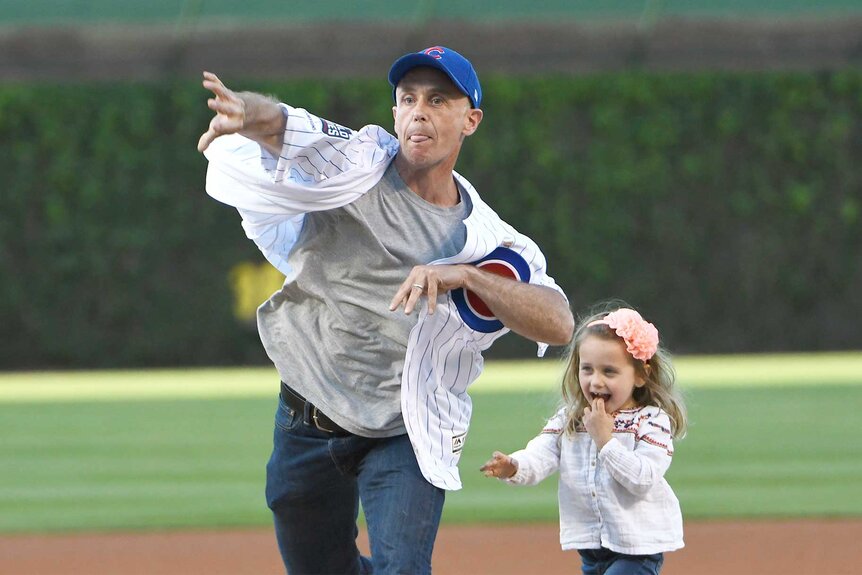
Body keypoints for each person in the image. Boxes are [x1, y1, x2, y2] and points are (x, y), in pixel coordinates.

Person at [197, 46, 574, 574]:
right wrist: (247, 112)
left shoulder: (484, 240)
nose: (419, 110)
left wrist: (466, 275)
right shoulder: (354, 162)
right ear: (394, 113)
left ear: (471, 120)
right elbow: (290, 125)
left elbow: (558, 323)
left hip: (404, 431)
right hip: (307, 414)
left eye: (438, 99)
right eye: (408, 98)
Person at [481, 306, 687, 575]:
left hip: (637, 549)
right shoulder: (572, 418)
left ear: (640, 375)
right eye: (587, 369)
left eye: (609, 371)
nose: (595, 381)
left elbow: (643, 478)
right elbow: (541, 453)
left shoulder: (650, 421)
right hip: (591, 550)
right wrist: (515, 466)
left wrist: (605, 440)